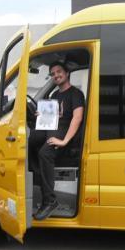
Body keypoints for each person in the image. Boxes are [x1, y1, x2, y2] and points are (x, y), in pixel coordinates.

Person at [28, 61, 84, 221]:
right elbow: (54, 117)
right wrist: (41, 115)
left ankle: (50, 200)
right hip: (52, 128)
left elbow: (77, 118)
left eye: (58, 72)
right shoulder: (54, 96)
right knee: (28, 139)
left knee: (45, 153)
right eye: (52, 74)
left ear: (67, 73)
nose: (56, 75)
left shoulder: (76, 94)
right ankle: (39, 177)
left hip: (65, 134)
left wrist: (64, 141)